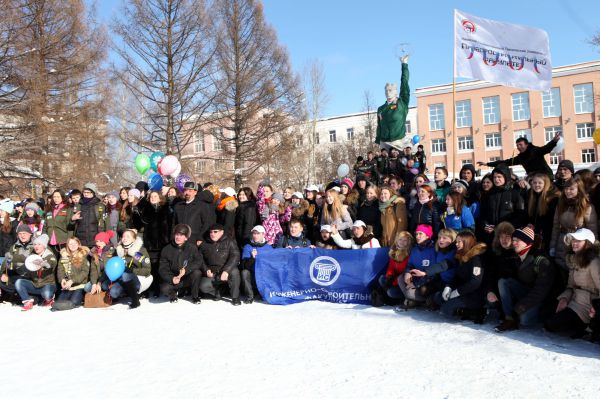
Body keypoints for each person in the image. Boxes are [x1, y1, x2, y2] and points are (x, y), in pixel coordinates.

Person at [495, 226, 555, 332]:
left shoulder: (542, 261)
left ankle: (541, 316)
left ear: (528, 242)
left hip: (540, 299)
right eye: (513, 240)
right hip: (526, 293)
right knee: (503, 282)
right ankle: (509, 319)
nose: (514, 243)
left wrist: (520, 308)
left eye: (518, 240)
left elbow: (540, 291)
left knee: (524, 320)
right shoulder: (516, 256)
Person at [544, 228, 600, 338]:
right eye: (573, 240)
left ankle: (588, 327)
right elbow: (570, 286)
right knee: (548, 320)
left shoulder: (594, 262)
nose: (574, 243)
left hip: (587, 306)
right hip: (574, 300)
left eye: (578, 241)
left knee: (553, 324)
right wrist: (564, 299)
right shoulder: (574, 260)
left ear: (587, 243)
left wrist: (596, 308)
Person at [550, 176, 598, 283]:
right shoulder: (561, 205)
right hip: (562, 242)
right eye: (566, 188)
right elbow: (556, 227)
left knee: (578, 274)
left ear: (579, 189)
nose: (568, 191)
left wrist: (593, 249)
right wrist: (552, 246)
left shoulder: (587, 207)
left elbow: (592, 230)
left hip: (579, 244)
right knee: (562, 274)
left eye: (571, 189)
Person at [434, 231, 487, 323]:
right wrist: (449, 287)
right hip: (462, 291)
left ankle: (476, 312)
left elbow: (475, 282)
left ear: (466, 242)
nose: (457, 244)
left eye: (459, 242)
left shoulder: (476, 259)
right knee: (438, 297)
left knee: (446, 309)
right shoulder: (461, 256)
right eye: (456, 242)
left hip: (474, 295)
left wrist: (457, 292)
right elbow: (457, 276)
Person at [104, 229, 152, 308]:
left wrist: (132, 271)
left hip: (139, 279)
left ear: (134, 239)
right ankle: (128, 292)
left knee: (126, 274)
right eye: (123, 236)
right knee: (114, 292)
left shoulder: (139, 251)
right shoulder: (118, 251)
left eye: (128, 236)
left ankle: (135, 300)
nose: (125, 238)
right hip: (122, 280)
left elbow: (147, 270)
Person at [479, 164, 525, 245]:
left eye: (499, 177)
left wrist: (503, 228)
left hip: (508, 235)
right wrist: (485, 225)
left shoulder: (514, 194)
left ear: (506, 177)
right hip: (491, 236)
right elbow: (483, 214)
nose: (496, 179)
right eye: (494, 177)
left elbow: (520, 216)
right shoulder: (488, 195)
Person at [478, 134, 560, 178]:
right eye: (517, 145)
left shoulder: (535, 150)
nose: (518, 147)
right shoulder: (520, 158)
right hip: (532, 177)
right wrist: (487, 164)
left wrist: (554, 141)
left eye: (520, 145)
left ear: (527, 144)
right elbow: (505, 162)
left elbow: (546, 148)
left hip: (545, 175)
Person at [159, 224, 204, 303]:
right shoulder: (166, 249)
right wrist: (171, 278)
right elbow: (162, 269)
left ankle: (195, 297)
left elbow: (198, 261)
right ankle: (173, 295)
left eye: (181, 235)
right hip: (174, 279)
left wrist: (186, 270)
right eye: (177, 234)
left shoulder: (192, 248)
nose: (178, 237)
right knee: (164, 288)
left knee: (197, 273)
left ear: (186, 238)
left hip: (186, 278)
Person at [199, 224, 241, 305]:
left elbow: (235, 256)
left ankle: (235, 297)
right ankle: (217, 293)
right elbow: (200, 259)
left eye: (215, 232)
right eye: (211, 232)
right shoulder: (204, 244)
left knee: (235, 272)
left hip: (226, 271)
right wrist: (206, 270)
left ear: (222, 232)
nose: (212, 234)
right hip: (213, 273)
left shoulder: (230, 242)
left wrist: (226, 271)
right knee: (203, 286)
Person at [484, 222, 519, 319]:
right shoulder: (495, 254)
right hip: (500, 291)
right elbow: (490, 274)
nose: (504, 240)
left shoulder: (518, 254)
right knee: (490, 301)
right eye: (501, 237)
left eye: (507, 236)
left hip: (517, 292)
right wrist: (490, 291)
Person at [15, 234, 57, 310]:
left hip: (47, 284)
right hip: (35, 285)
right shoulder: (31, 256)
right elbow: (21, 261)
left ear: (44, 246)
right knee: (19, 282)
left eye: (39, 244)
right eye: (34, 244)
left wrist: (44, 264)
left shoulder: (50, 256)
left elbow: (51, 263)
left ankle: (49, 299)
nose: (36, 246)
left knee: (47, 294)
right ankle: (28, 301)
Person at [398, 224, 437, 308]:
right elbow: (410, 264)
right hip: (416, 279)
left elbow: (434, 273)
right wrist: (407, 272)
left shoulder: (433, 250)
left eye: (420, 234)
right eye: (416, 234)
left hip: (427, 281)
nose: (417, 236)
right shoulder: (415, 249)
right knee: (400, 278)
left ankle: (423, 301)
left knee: (419, 291)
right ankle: (414, 300)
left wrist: (416, 284)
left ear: (427, 236)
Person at [372, 231, 414, 307]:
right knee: (382, 278)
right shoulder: (394, 252)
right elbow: (390, 268)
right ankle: (388, 297)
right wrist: (389, 277)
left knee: (391, 292)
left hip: (404, 282)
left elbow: (405, 271)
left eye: (405, 240)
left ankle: (403, 298)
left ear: (408, 242)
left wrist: (393, 282)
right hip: (395, 279)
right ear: (397, 241)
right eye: (400, 239)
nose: (402, 242)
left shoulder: (410, 253)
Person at [375, 55, 409, 144]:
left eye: (390, 90)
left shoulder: (402, 103)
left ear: (395, 91)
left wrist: (404, 64)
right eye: (386, 90)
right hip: (385, 143)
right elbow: (379, 126)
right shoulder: (381, 109)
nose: (388, 92)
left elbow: (404, 83)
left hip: (399, 141)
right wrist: (378, 140)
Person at [142, 190, 170, 297]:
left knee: (160, 266)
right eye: (151, 197)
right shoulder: (146, 209)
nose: (153, 198)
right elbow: (142, 221)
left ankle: (160, 287)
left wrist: (167, 239)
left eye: (155, 196)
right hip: (150, 242)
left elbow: (169, 224)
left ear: (160, 198)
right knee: (151, 266)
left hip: (163, 242)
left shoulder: (165, 209)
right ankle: (152, 288)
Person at [173, 181, 216, 246]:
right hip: (180, 240)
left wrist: (201, 238)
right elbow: (174, 223)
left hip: (194, 241)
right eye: (185, 190)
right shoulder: (178, 206)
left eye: (190, 190)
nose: (187, 193)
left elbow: (207, 223)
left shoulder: (202, 206)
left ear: (195, 192)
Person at [54, 237, 91, 310]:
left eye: (75, 243)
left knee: (74, 301)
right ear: (67, 245)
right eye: (70, 244)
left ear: (78, 244)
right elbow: (60, 270)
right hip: (68, 286)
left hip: (80, 285)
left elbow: (85, 272)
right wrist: (62, 279)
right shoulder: (64, 256)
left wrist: (72, 280)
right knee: (60, 301)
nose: (73, 245)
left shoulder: (84, 255)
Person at [240, 225, 274, 303]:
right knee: (244, 272)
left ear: (263, 234)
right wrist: (252, 258)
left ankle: (264, 293)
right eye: (254, 233)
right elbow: (244, 266)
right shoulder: (247, 247)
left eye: (257, 233)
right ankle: (250, 296)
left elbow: (273, 265)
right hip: (252, 276)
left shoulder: (268, 248)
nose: (255, 236)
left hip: (263, 276)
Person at [525, 173, 559, 252]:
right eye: (534, 183)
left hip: (547, 234)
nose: (537, 185)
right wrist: (529, 223)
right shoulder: (530, 195)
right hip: (534, 233)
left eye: (540, 183)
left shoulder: (552, 198)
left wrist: (539, 228)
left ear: (545, 184)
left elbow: (551, 219)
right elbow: (529, 214)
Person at [0, 224, 34, 301]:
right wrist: (4, 273)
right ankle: (18, 293)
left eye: (24, 233)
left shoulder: (35, 245)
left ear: (30, 234)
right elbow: (7, 261)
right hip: (17, 274)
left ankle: (24, 294)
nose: (22, 236)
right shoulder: (14, 247)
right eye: (20, 234)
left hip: (31, 276)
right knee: (3, 280)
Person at [70, 183, 105, 248]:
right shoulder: (78, 205)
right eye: (84, 192)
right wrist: (72, 219)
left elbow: (103, 223)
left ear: (93, 193)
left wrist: (103, 238)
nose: (85, 194)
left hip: (95, 239)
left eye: (88, 192)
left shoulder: (100, 206)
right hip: (80, 239)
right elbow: (71, 224)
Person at [43, 190, 71, 254]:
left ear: (62, 197)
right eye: (54, 197)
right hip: (50, 240)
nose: (56, 199)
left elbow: (70, 226)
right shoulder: (49, 209)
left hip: (62, 240)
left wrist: (69, 239)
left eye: (58, 197)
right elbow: (45, 225)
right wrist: (44, 236)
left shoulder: (67, 209)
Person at [0, 200, 17, 266]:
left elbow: (15, 239)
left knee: (7, 271)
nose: (0, 212)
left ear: (7, 212)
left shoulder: (13, 223)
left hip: (7, 252)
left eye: (2, 210)